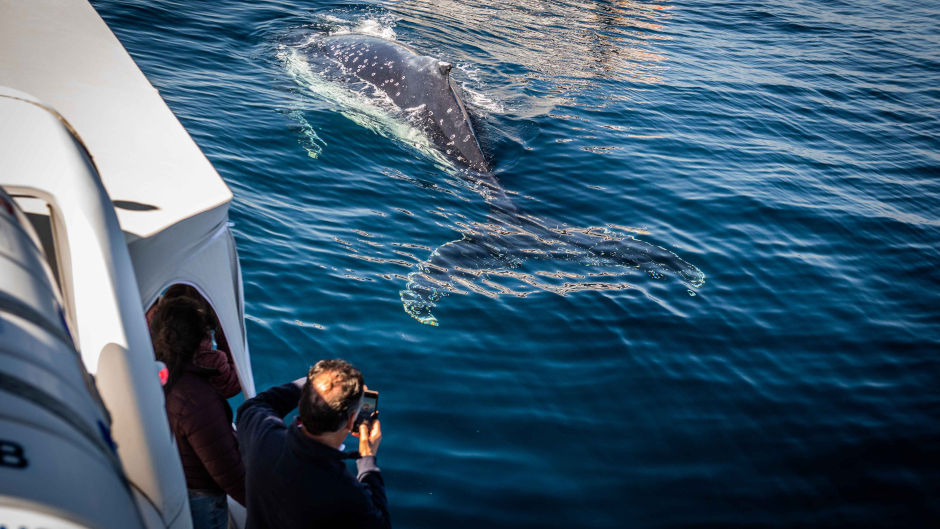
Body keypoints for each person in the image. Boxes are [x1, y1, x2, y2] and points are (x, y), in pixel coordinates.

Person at [236, 359, 390, 529]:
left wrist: (316, 385)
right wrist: (368, 459)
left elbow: (255, 405)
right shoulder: (347, 493)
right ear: (350, 421)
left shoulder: (263, 437)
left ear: (303, 402)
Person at [150, 296, 246, 529]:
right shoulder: (196, 400)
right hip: (202, 501)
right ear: (200, 341)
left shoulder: (157, 371)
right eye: (208, 335)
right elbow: (232, 476)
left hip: (174, 481)